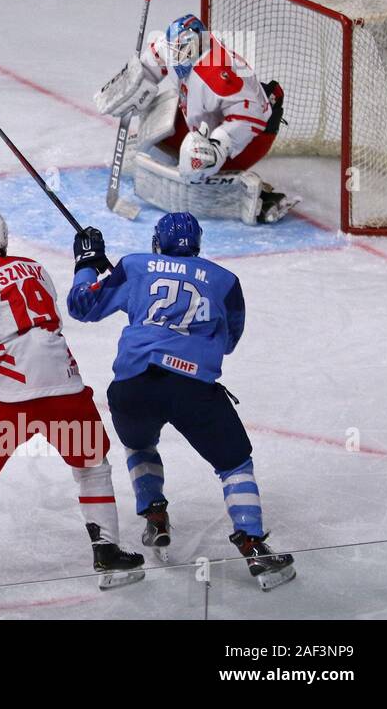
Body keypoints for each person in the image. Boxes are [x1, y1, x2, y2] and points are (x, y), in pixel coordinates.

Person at [0, 209, 144, 598]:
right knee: (92, 467)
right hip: (65, 389)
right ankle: (108, 553)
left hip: (9, 401)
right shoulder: (34, 268)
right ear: (4, 240)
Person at [66, 212, 296, 590]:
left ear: (158, 242)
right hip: (193, 389)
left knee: (140, 443)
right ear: (198, 244)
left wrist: (88, 265)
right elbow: (230, 341)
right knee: (234, 463)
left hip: (132, 388)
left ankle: (155, 516)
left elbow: (81, 306)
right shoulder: (225, 281)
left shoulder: (135, 266)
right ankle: (254, 547)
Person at [95, 13, 298, 224]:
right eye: (175, 51)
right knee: (157, 113)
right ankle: (185, 157)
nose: (177, 57)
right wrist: (132, 86)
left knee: (196, 166)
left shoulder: (218, 72)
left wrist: (217, 146)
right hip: (205, 119)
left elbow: (251, 118)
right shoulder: (177, 44)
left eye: (183, 52)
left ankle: (256, 196)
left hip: (253, 136)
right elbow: (153, 62)